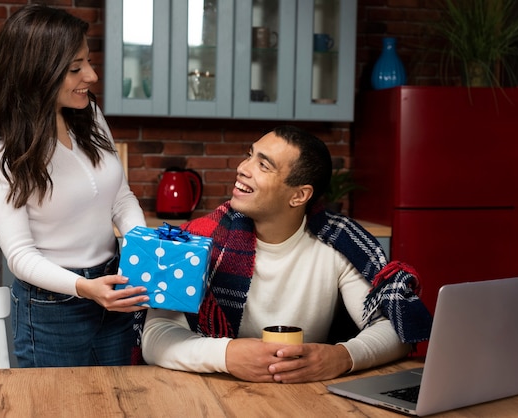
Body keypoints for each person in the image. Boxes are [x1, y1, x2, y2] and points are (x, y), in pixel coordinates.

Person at [141, 125, 432, 383]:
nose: (243, 167)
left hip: (308, 397)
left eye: (263, 165)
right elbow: (154, 335)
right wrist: (226, 354)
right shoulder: (197, 240)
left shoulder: (340, 244)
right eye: (250, 154)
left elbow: (396, 329)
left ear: (299, 195)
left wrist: (342, 357)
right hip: (214, 393)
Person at [0, 4, 149, 367]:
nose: (93, 76)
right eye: (76, 68)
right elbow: (20, 256)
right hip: (53, 308)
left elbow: (121, 198)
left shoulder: (89, 116)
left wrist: (142, 252)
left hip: (114, 289)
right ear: (37, 72)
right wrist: (85, 289)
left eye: (89, 62)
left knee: (118, 401)